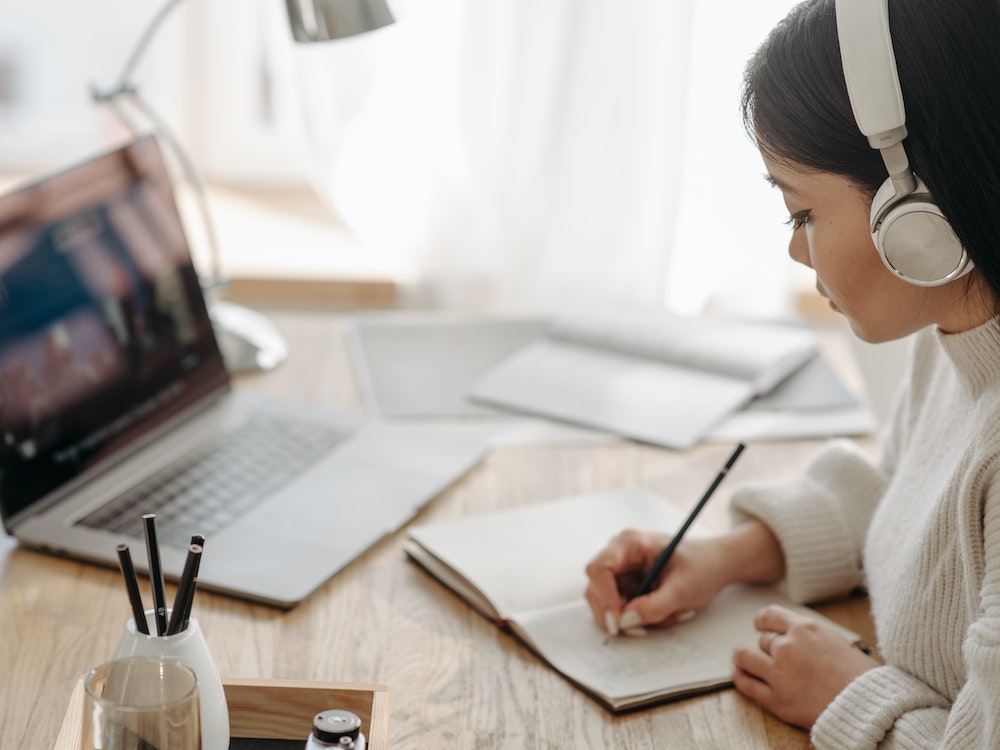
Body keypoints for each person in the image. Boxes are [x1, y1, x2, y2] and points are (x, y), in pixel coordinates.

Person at [583, 0, 1000, 748]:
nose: (797, 253)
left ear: (917, 212)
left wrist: (852, 697)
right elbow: (910, 510)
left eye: (800, 213)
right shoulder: (960, 337)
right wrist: (723, 557)